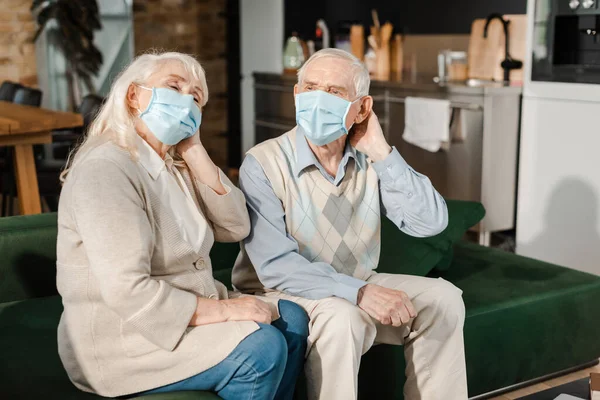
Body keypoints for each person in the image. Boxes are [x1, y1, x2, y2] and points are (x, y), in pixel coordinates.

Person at [56, 51, 308, 400]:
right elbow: (125, 289)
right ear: (134, 96)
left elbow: (236, 226)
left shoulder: (172, 166)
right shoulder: (107, 168)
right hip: (125, 337)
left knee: (292, 319)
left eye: (195, 98)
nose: (186, 102)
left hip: (185, 314)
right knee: (261, 349)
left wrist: (194, 150)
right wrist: (225, 310)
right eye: (174, 87)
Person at [233, 48, 467, 400]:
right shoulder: (263, 163)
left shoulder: (370, 159)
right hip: (283, 293)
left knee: (444, 298)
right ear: (297, 95)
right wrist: (358, 293)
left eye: (334, 92)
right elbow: (275, 268)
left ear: (361, 108)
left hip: (356, 281)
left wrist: (381, 150)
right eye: (310, 87)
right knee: (343, 317)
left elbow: (431, 223)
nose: (317, 99)